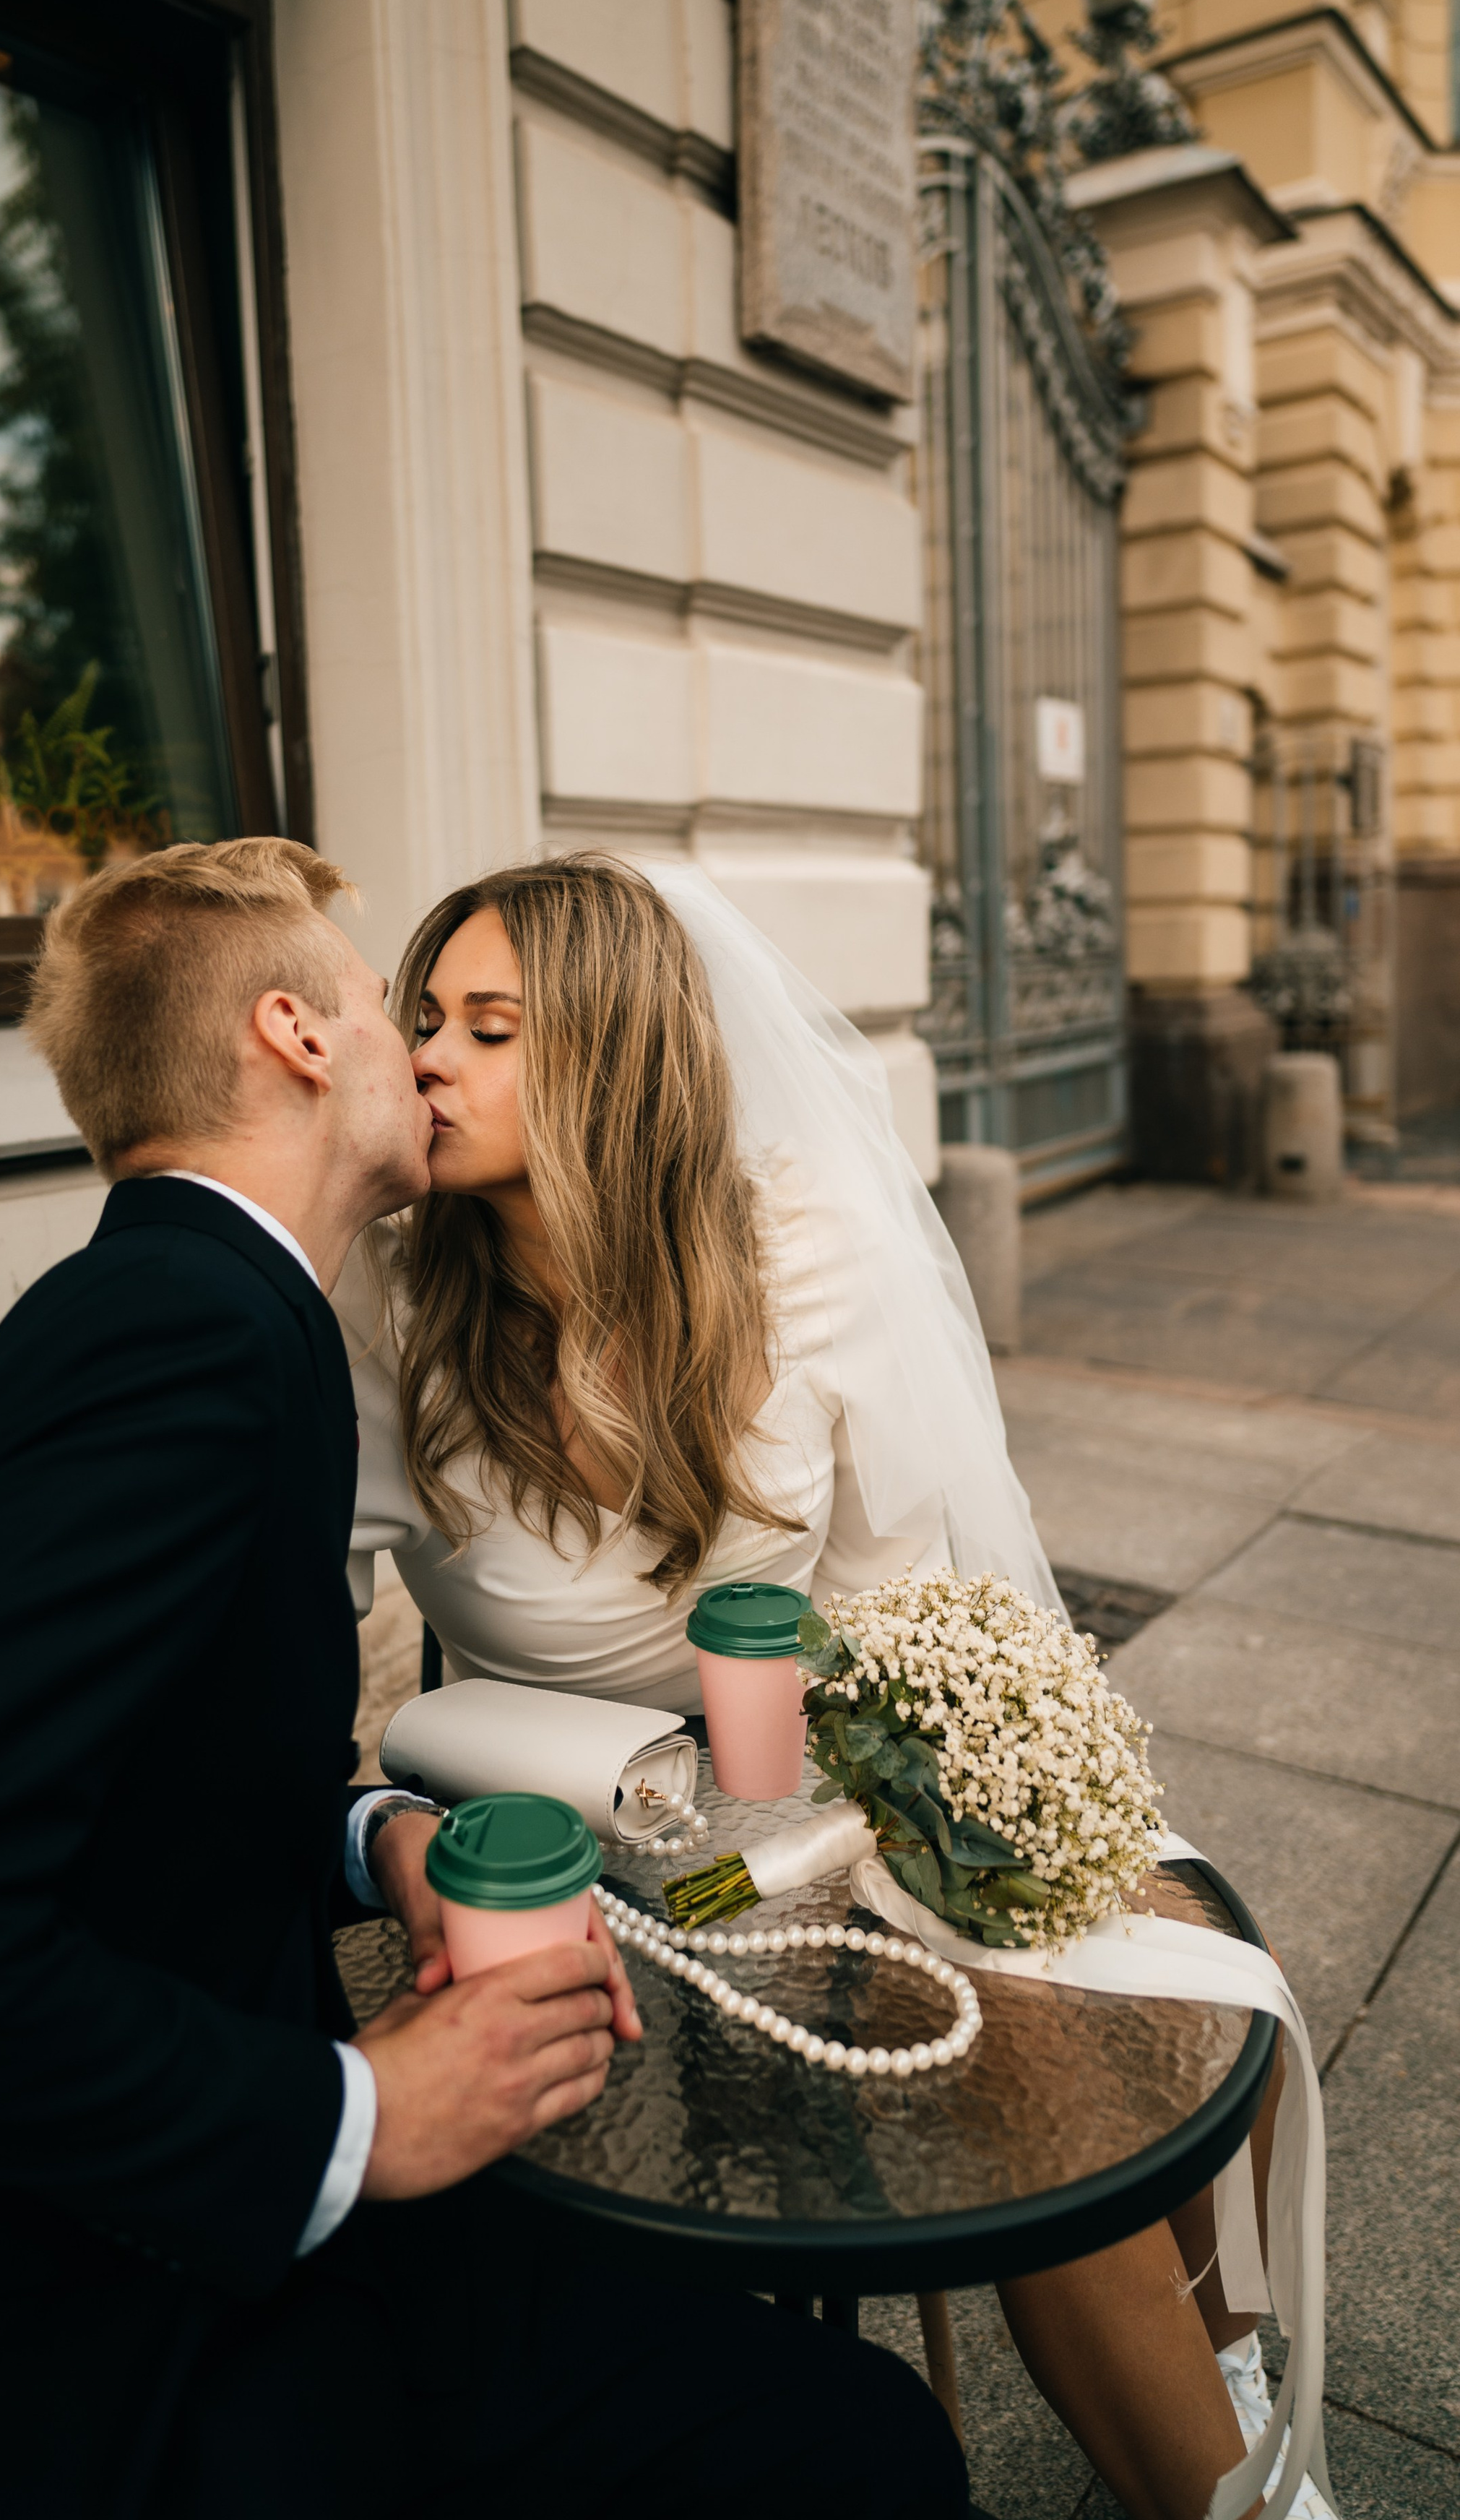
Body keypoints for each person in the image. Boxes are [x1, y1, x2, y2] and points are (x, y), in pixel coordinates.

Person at [0, 837, 981, 2520]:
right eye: (389, 1005)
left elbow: (163, 1763)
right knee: (854, 2452)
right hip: (46, 2338)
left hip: (164, 2217)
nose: (419, 1050)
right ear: (297, 1036)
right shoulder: (176, 1337)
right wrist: (354, 2110)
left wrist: (376, 1838)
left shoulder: (232, 1313)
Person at [339, 850, 1306, 2520]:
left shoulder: (795, 1250)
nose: (426, 1055)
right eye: (421, 1017)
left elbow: (914, 1612)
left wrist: (920, 1836)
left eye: (486, 1026)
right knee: (1032, 2056)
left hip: (809, 1806)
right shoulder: (387, 1308)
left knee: (1111, 2011)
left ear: (610, 1058)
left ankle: (1234, 2474)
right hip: (565, 1860)